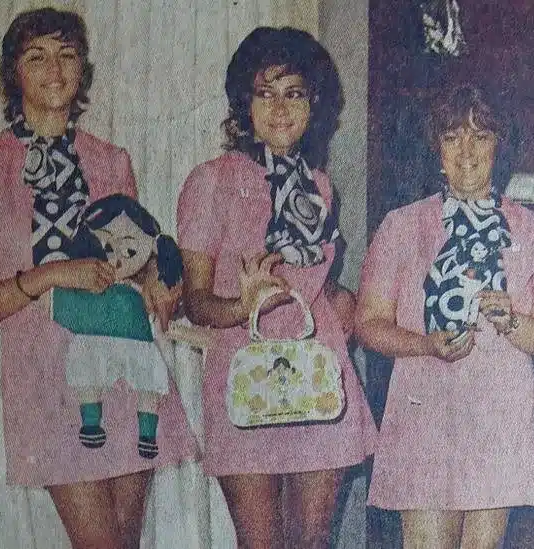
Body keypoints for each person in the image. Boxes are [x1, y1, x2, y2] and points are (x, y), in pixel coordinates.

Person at [0, 7, 196, 548]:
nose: (54, 69)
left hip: (125, 362)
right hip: (44, 381)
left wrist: (158, 282)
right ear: (13, 73)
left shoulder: (110, 160)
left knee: (125, 541)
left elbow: (135, 262)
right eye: (37, 57)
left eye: (67, 54)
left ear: (83, 68)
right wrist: (50, 275)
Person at [177, 26, 376, 549]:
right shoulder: (210, 181)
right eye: (265, 93)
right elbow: (196, 303)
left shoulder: (320, 186)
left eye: (294, 93)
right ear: (244, 104)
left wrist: (341, 299)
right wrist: (243, 305)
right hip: (245, 373)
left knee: (312, 540)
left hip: (317, 365)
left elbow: (311, 279)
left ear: (314, 104)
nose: (280, 108)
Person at [356, 84, 534, 549]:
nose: (466, 151)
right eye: (452, 136)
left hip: (500, 413)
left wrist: (512, 322)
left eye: (480, 136)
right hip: (425, 412)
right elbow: (368, 323)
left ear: (499, 147)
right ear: (437, 149)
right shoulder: (401, 225)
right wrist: (424, 344)